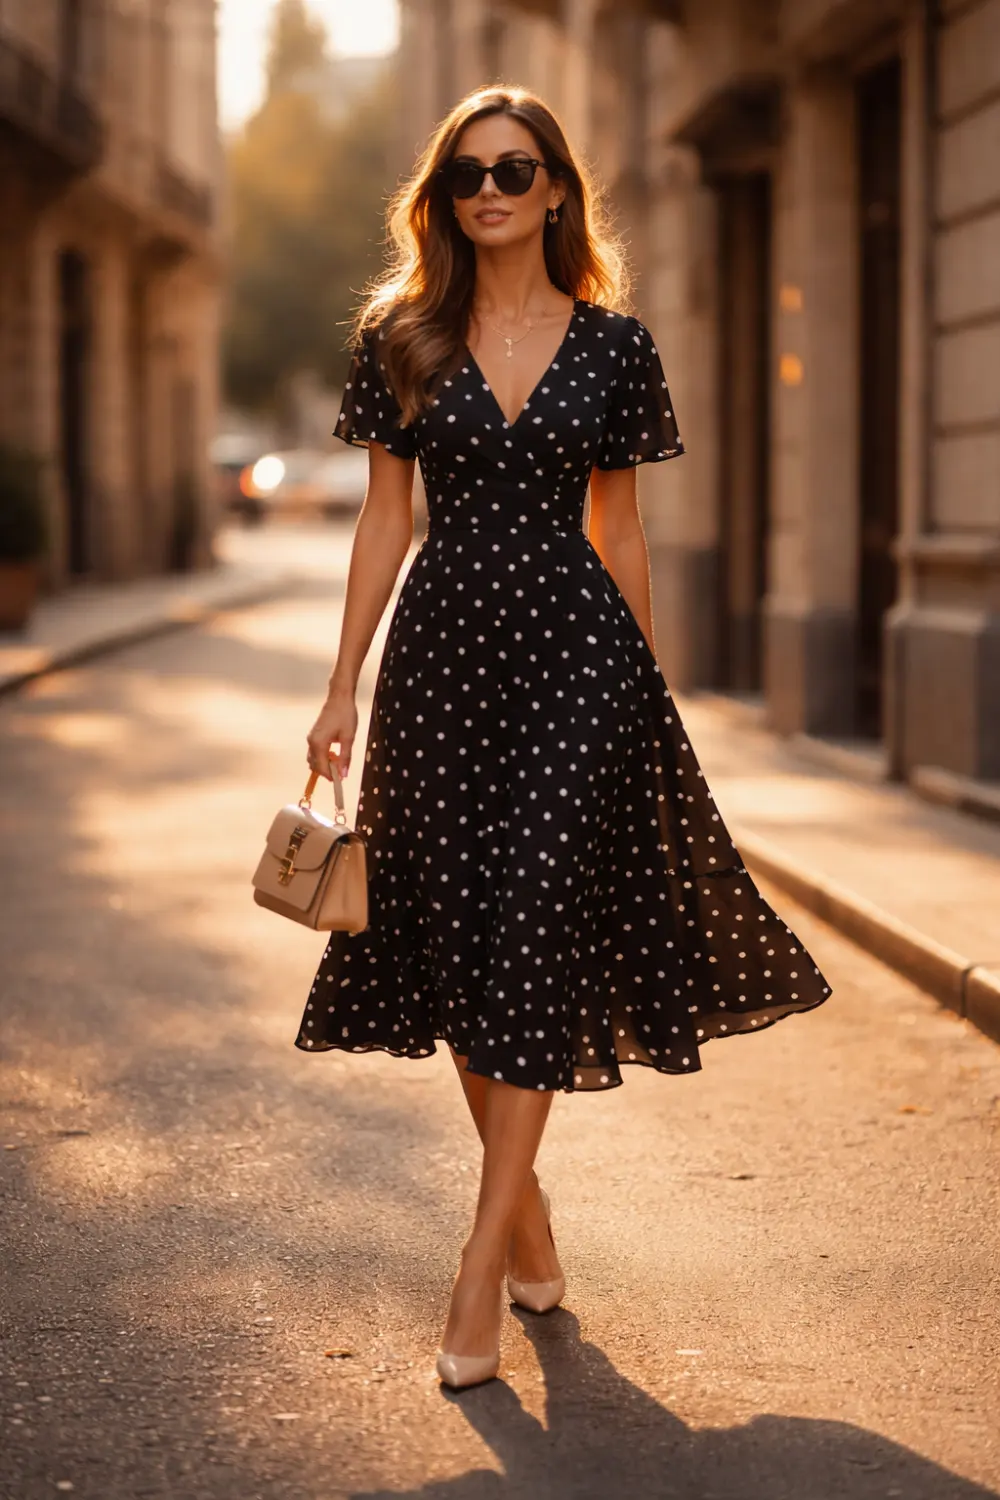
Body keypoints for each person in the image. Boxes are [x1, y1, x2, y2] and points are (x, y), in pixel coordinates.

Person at [296, 85, 832, 1390]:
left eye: (514, 168)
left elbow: (622, 527)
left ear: (554, 190)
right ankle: (526, 1216)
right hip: (437, 675)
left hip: (580, 670)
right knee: (455, 945)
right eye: (467, 173)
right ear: (444, 198)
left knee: (531, 927)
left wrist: (647, 685)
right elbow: (383, 523)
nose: (489, 188)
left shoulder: (615, 347)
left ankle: (476, 1275)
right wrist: (339, 687)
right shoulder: (402, 338)